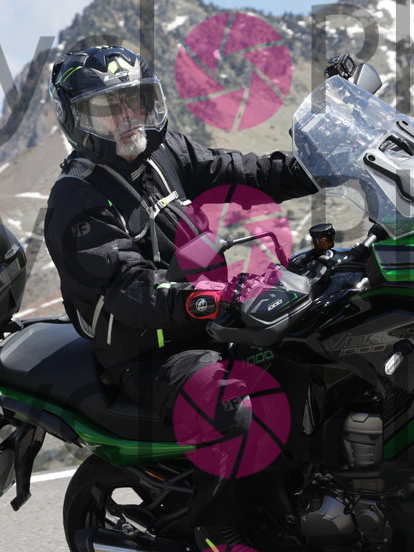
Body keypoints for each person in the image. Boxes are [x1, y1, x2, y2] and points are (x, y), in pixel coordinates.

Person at [42, 44, 320, 446]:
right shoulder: (76, 197)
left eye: (134, 100)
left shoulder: (163, 152)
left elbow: (243, 173)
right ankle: (229, 489)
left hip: (212, 322)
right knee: (237, 411)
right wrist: (216, 297)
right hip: (152, 354)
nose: (126, 116)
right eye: (107, 108)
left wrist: (315, 169)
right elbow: (130, 289)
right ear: (77, 118)